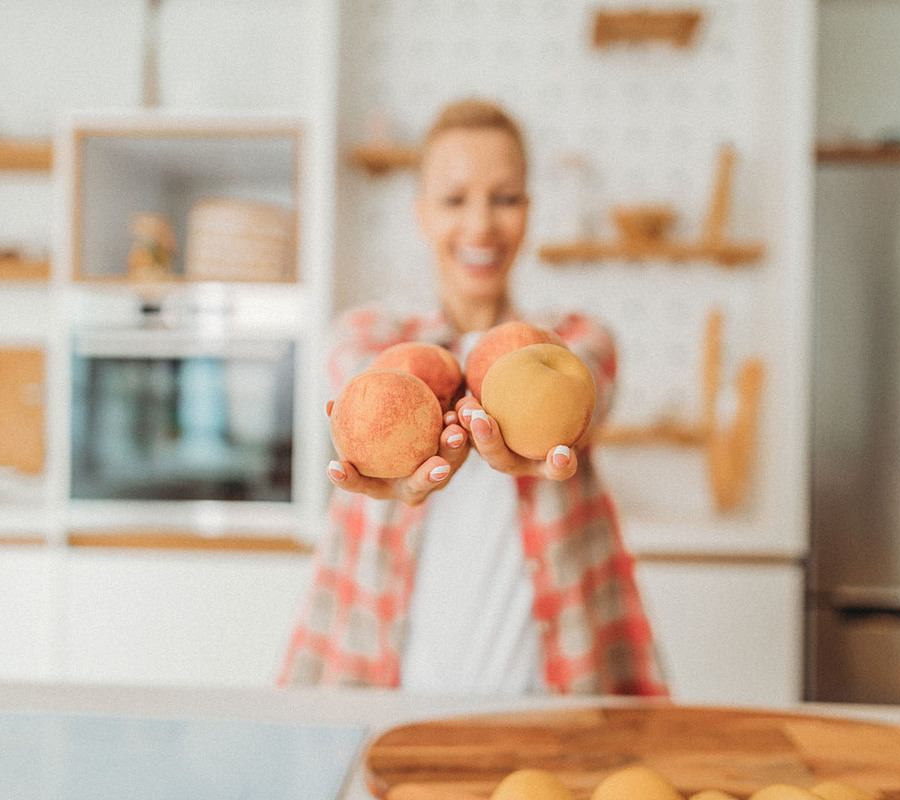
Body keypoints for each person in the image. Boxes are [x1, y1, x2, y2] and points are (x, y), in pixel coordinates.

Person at [278, 98, 669, 697]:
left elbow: (591, 391)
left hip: (548, 691)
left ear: (529, 213)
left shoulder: (575, 340)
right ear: (421, 214)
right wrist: (390, 436)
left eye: (505, 198)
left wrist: (530, 412)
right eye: (454, 199)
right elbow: (352, 385)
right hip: (382, 688)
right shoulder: (369, 336)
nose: (481, 225)